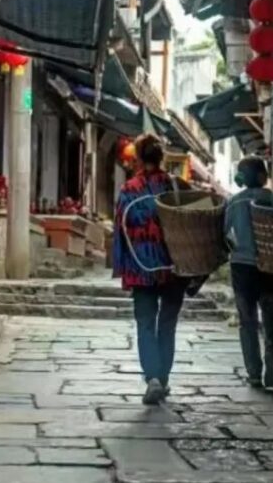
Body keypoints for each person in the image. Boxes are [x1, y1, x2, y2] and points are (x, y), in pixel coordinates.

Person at [111, 133, 186, 405]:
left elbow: (120, 229)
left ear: (139, 158)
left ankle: (152, 378)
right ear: (161, 156)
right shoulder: (176, 186)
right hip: (174, 265)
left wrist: (122, 267)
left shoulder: (129, 189)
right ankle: (162, 379)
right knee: (168, 325)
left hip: (141, 266)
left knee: (145, 323)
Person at [224, 156, 273, 389]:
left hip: (242, 267)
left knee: (248, 320)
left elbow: (222, 235)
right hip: (272, 265)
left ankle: (253, 372)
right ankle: (272, 354)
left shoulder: (233, 203)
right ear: (263, 177)